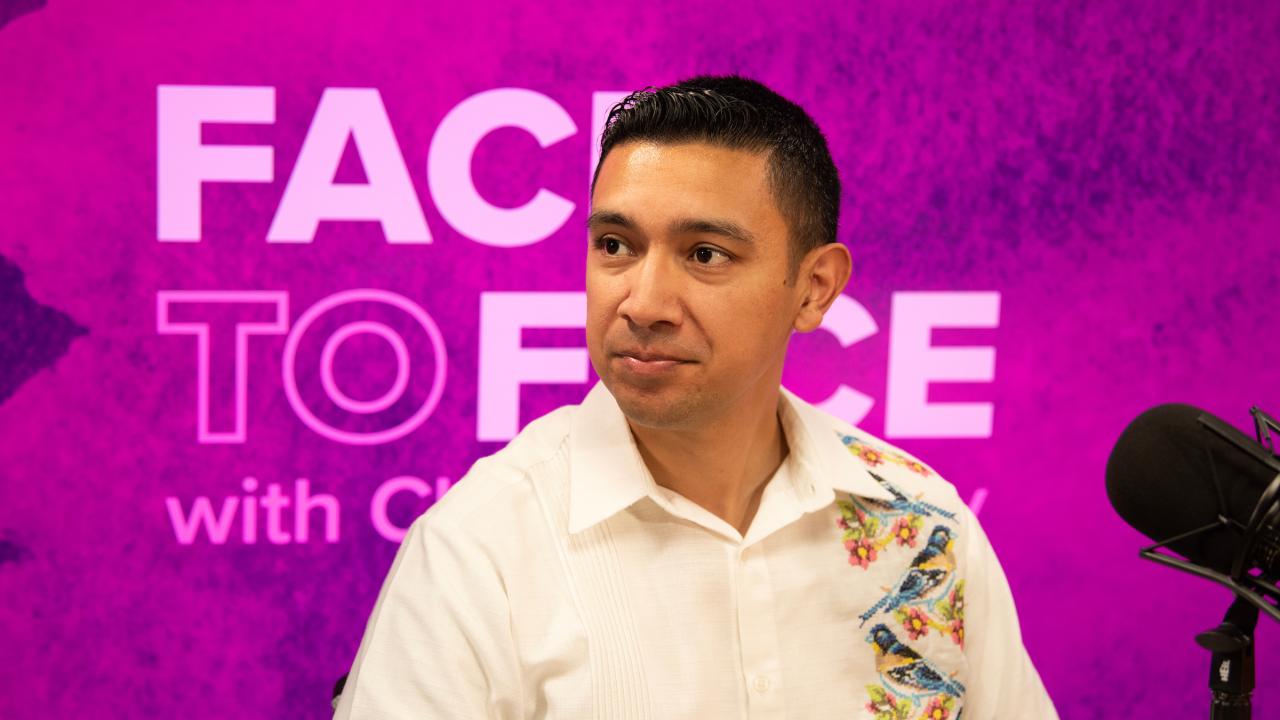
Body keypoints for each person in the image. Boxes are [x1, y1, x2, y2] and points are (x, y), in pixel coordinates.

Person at [333, 74, 1057, 719]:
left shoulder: (925, 525)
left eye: (705, 254)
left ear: (815, 289)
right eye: (615, 245)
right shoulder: (482, 547)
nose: (643, 302)